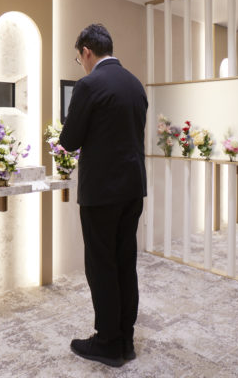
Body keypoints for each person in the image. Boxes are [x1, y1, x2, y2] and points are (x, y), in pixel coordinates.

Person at [59, 23, 148, 368]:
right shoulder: (134, 84)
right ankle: (125, 339)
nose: (81, 63)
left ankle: (108, 342)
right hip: (132, 190)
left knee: (101, 266)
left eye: (78, 57)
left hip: (101, 194)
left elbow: (69, 141)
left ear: (86, 52)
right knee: (125, 262)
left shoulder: (89, 85)